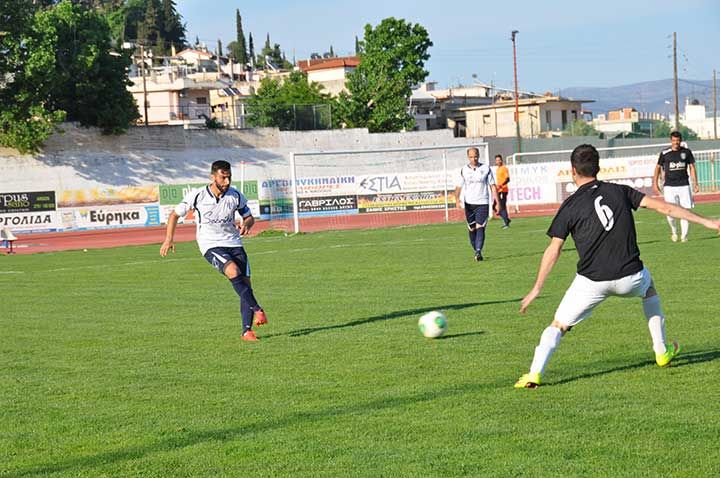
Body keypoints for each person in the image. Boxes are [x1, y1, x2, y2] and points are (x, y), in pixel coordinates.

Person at [515, 144, 720, 389]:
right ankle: (661, 351)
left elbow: (554, 249)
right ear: (598, 168)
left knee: (558, 325)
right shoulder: (620, 191)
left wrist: (537, 288)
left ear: (573, 171)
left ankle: (534, 374)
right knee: (649, 289)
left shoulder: (569, 205)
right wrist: (707, 222)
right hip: (630, 277)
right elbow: (664, 207)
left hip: (591, 282)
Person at [160, 160, 268, 342]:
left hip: (234, 243)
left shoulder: (235, 195)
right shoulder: (198, 195)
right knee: (233, 271)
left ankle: (247, 331)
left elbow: (249, 217)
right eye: (223, 177)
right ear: (213, 177)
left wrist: (247, 224)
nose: (227, 182)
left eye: (229, 177)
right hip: (210, 244)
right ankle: (258, 309)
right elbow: (174, 215)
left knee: (245, 286)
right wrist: (169, 239)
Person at [455, 147, 501, 261]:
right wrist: (457, 199)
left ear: (478, 156)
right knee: (472, 229)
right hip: (469, 203)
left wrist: (497, 202)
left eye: (475, 156)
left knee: (480, 227)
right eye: (471, 157)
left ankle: (478, 251)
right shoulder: (464, 170)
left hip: (482, 202)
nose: (474, 159)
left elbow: (492, 186)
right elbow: (458, 186)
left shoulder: (486, 169)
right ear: (468, 157)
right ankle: (476, 250)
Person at [652, 131, 699, 242]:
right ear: (671, 141)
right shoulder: (665, 153)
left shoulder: (686, 152)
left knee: (685, 212)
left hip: (684, 185)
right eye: (674, 140)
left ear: (680, 141)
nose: (676, 142)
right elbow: (657, 168)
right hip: (669, 187)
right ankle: (674, 230)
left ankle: (684, 237)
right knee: (670, 212)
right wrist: (655, 184)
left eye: (678, 140)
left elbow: (692, 167)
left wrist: (695, 183)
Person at [494, 154, 512, 229]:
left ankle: (506, 224)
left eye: (499, 160)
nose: (498, 161)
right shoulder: (497, 169)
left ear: (501, 160)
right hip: (499, 190)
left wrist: (501, 185)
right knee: (494, 206)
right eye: (496, 160)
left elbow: (508, 179)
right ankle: (506, 219)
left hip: (503, 190)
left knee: (502, 207)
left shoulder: (504, 168)